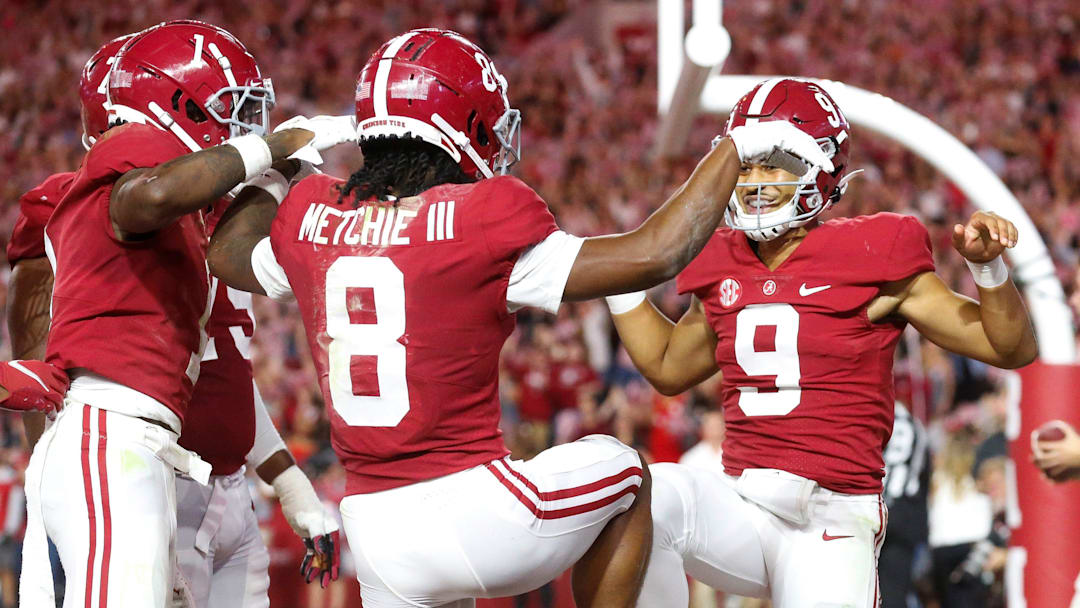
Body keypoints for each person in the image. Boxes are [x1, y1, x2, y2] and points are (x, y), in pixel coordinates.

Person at [206, 29, 834, 608]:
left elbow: (229, 254)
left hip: (371, 529)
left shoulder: (313, 214)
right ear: (461, 123)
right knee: (626, 472)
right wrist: (735, 149)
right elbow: (656, 253)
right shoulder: (484, 213)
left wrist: (280, 166)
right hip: (477, 514)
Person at [605, 77, 1038, 607]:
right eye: (746, 166)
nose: (755, 182)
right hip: (740, 504)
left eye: (773, 165)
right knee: (636, 498)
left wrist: (987, 267)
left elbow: (1010, 348)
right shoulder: (720, 257)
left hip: (828, 516)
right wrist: (618, 278)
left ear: (822, 167)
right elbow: (669, 367)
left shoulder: (873, 250)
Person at [10, 26, 341, 608]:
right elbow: (150, 196)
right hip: (113, 434)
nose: (243, 125)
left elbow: (226, 368)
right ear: (175, 106)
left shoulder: (194, 222)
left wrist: (283, 174)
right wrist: (274, 149)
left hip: (160, 450)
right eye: (228, 108)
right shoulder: (130, 160)